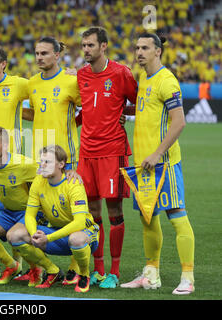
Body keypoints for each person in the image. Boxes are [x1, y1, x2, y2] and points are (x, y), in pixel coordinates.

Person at [120, 33, 195, 295]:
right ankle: (151, 275)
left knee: (177, 216)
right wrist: (125, 114)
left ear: (158, 51)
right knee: (148, 220)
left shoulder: (167, 80)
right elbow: (146, 110)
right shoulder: (143, 77)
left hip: (163, 163)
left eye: (145, 48)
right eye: (137, 47)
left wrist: (158, 153)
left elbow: (179, 122)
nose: (139, 52)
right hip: (143, 165)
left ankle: (188, 277)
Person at [75, 27, 138, 288]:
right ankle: (98, 269)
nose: (86, 50)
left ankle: (115, 271)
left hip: (113, 152)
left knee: (114, 212)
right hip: (86, 153)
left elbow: (140, 102)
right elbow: (85, 111)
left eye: (90, 45)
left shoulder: (121, 73)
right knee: (91, 212)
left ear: (104, 46)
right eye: (84, 45)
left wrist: (125, 113)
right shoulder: (80, 75)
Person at [7, 145, 99, 293]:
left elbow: (79, 223)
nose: (42, 166)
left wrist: (48, 238)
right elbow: (29, 215)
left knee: (76, 239)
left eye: (47, 162)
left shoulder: (73, 184)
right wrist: (34, 234)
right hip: (56, 233)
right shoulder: (39, 181)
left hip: (85, 233)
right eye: (41, 162)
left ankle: (84, 274)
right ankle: (52, 271)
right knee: (15, 235)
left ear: (61, 165)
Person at [0, 126, 43, 285]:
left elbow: (49, 171)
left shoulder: (24, 164)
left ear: (5, 146)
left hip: (28, 213)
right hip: (7, 213)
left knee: (13, 236)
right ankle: (12, 266)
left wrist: (72, 173)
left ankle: (37, 269)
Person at [25, 37, 81, 173]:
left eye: (44, 53)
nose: (39, 57)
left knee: (66, 194)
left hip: (65, 157)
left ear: (56, 55)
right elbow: (37, 113)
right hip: (39, 157)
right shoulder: (32, 82)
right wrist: (13, 110)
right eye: (37, 53)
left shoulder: (71, 81)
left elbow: (91, 107)